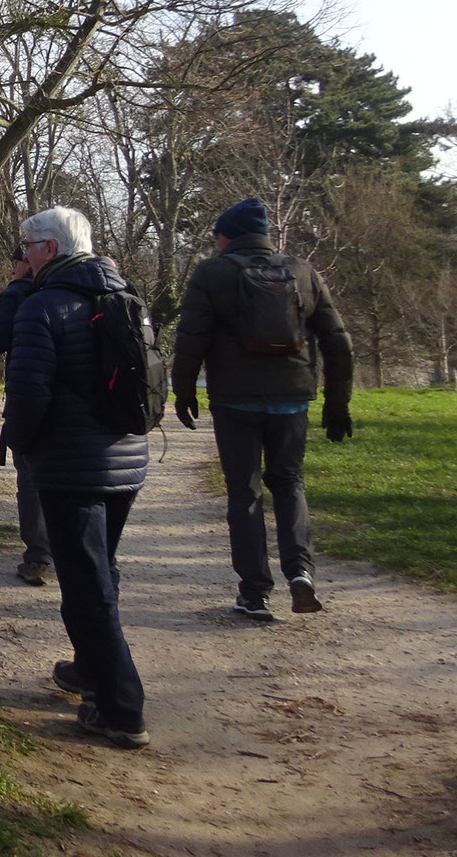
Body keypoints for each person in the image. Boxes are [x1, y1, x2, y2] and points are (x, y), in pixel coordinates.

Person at [4, 205, 150, 750]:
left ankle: (121, 708)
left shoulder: (43, 306)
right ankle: (90, 669)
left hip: (71, 468)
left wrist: (23, 446)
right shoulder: (126, 296)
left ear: (50, 249)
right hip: (126, 461)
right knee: (98, 573)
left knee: (88, 588)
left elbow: (28, 394)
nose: (22, 255)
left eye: (27, 245)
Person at [170, 196, 355, 622]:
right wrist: (337, 404)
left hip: (235, 400)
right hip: (292, 397)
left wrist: (183, 393)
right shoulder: (303, 272)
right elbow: (338, 342)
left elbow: (191, 339)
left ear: (225, 237)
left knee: (245, 491)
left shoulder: (212, 272)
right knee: (289, 482)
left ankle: (254, 592)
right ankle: (301, 574)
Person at [0, 241, 53, 586]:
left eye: (17, 262)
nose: (12, 270)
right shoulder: (97, 286)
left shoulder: (20, 293)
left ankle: (39, 554)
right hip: (84, 403)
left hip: (31, 395)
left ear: (30, 261)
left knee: (30, 475)